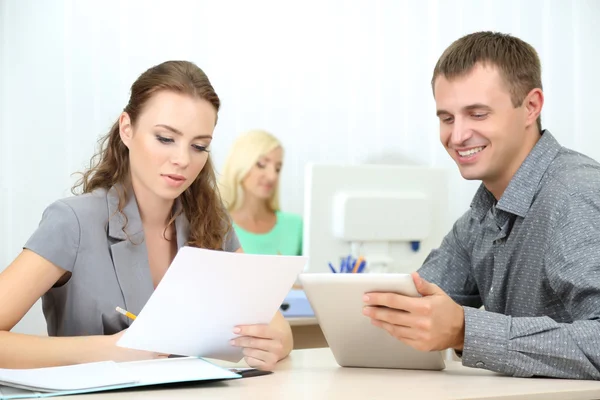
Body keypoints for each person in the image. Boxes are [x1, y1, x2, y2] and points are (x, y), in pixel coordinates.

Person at [0, 61, 293, 370]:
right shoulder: (72, 222)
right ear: (127, 129)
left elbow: (278, 328)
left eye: (199, 146)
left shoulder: (211, 221)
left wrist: (276, 344)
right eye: (165, 139)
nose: (182, 159)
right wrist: (110, 349)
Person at [362, 31, 600, 379]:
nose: (457, 136)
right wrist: (282, 333)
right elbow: (413, 307)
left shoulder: (575, 193)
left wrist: (465, 331)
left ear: (531, 107)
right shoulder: (479, 218)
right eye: (447, 118)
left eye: (477, 114)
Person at [219, 129, 303, 256]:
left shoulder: (295, 226)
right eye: (261, 164)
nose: (272, 176)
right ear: (240, 165)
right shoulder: (216, 224)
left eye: (277, 168)